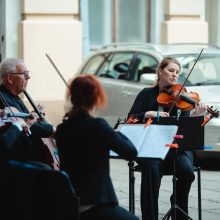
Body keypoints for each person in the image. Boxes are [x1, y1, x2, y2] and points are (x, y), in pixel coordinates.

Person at [128, 56, 206, 220]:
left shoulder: (181, 97)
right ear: (160, 71)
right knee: (151, 167)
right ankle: (150, 216)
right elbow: (130, 119)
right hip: (152, 149)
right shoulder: (146, 94)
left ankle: (178, 209)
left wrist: (195, 117)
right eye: (171, 70)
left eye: (177, 72)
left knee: (187, 172)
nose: (174, 75)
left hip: (176, 148)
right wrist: (147, 114)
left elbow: (186, 130)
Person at [56, 74, 139, 220]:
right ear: (95, 98)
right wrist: (116, 132)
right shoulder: (98, 126)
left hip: (70, 203)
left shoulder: (62, 128)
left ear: (72, 97)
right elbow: (131, 152)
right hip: (96, 204)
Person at [0, 58, 56, 168]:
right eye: (24, 74)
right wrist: (52, 130)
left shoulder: (14, 96)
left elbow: (26, 121)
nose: (28, 77)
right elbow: (27, 126)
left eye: (28, 74)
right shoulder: (2, 99)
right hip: (15, 160)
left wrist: (34, 115)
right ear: (10, 78)